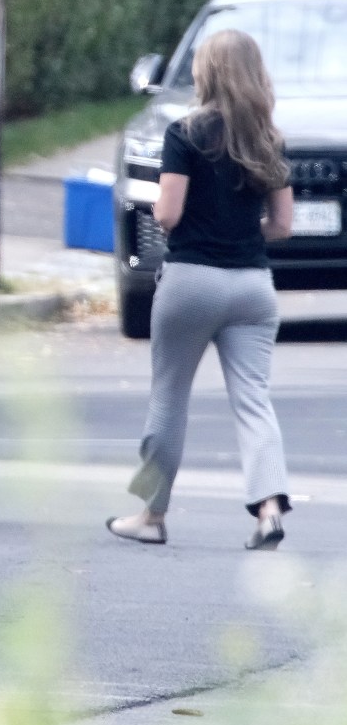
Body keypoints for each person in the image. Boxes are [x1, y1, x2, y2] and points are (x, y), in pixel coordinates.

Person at [106, 29, 293, 551]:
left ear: (205, 72)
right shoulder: (269, 139)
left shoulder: (185, 134)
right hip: (254, 288)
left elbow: (167, 212)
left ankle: (152, 514)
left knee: (169, 398)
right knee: (254, 401)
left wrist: (192, 225)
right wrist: (239, 230)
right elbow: (281, 225)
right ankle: (270, 509)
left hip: (192, 281)